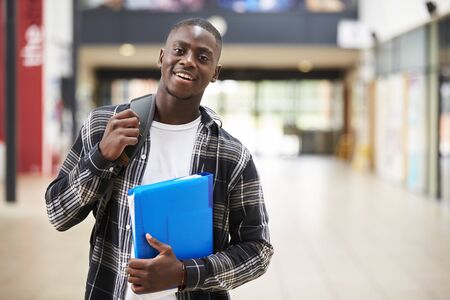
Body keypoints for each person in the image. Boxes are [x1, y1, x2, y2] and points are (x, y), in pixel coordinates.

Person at [45, 18, 273, 300]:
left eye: (202, 57)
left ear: (215, 72)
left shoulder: (232, 156)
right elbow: (58, 213)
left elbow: (257, 251)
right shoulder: (105, 124)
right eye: (180, 50)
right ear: (162, 57)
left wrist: (185, 274)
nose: (188, 61)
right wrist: (101, 157)